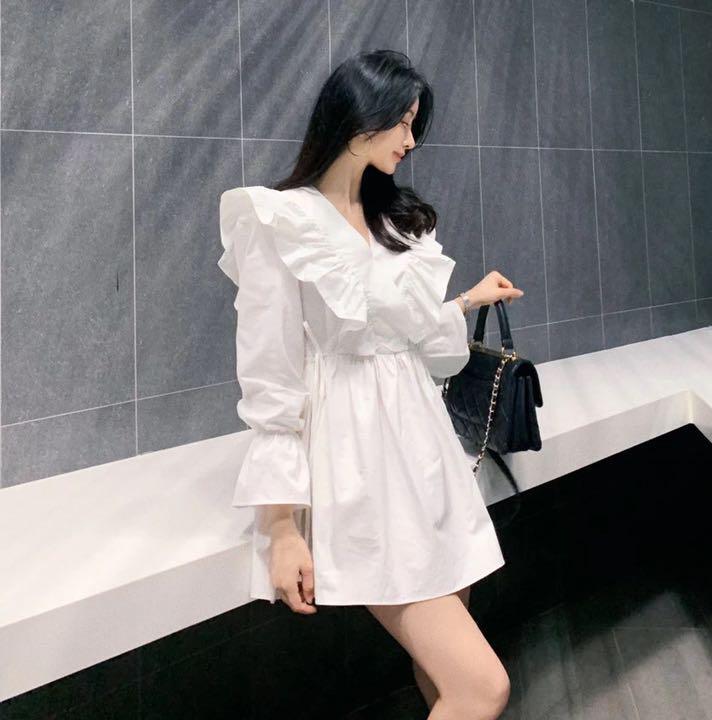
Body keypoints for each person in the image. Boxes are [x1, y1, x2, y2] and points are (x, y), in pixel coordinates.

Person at [218, 50, 524, 720]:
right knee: (482, 686)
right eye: (403, 122)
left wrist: (466, 301)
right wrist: (281, 527)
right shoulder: (280, 221)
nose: (411, 140)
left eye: (415, 124)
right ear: (359, 118)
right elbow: (271, 379)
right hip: (360, 467)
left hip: (425, 457)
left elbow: (421, 348)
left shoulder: (398, 222)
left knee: (443, 670)